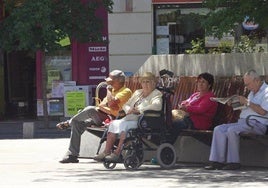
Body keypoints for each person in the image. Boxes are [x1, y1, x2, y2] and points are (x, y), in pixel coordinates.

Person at [57, 70, 132, 163]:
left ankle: (68, 122)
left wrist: (108, 90)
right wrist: (103, 105)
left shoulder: (125, 91)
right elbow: (104, 105)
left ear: (119, 81)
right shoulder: (113, 90)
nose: (109, 83)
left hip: (110, 118)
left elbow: (112, 103)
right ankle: (72, 154)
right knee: (76, 123)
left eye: (111, 81)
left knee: (90, 109)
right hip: (99, 116)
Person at [205, 69, 268, 170]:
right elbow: (247, 108)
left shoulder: (266, 92)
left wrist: (247, 102)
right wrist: (234, 103)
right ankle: (217, 161)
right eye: (246, 85)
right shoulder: (252, 92)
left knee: (232, 130)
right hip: (244, 122)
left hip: (257, 124)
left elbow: (263, 112)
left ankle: (233, 162)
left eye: (248, 84)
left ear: (257, 80)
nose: (247, 87)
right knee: (219, 129)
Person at [94, 72, 163, 161]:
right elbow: (126, 104)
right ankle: (106, 151)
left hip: (142, 120)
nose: (145, 84)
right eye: (143, 82)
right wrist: (128, 110)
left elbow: (157, 106)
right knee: (113, 124)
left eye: (148, 82)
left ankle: (117, 153)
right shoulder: (138, 92)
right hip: (130, 117)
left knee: (125, 127)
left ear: (154, 83)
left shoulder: (156, 94)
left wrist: (139, 110)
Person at [170, 72, 218, 143]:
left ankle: (169, 144)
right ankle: (165, 144)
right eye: (199, 82)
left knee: (175, 124)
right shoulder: (196, 95)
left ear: (209, 85)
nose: (200, 84)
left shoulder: (210, 97)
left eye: (203, 82)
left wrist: (187, 108)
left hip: (199, 122)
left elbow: (200, 109)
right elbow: (184, 102)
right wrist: (185, 106)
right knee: (168, 121)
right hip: (189, 119)